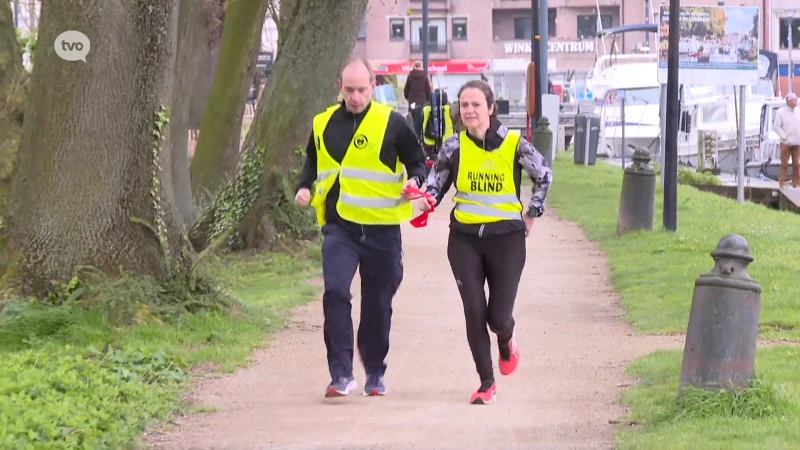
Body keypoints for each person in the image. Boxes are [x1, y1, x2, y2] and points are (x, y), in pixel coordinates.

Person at [294, 55, 428, 398]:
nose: (355, 97)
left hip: (381, 228)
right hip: (340, 228)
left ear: (373, 87)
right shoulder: (323, 123)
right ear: (339, 88)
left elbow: (417, 161)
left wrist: (414, 180)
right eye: (349, 90)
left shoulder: (393, 123)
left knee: (377, 304)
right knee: (336, 293)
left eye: (362, 90)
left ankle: (374, 371)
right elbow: (313, 160)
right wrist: (304, 186)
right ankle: (340, 374)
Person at [418, 80, 552, 405]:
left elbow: (544, 174)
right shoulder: (453, 146)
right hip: (464, 239)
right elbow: (436, 182)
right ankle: (486, 382)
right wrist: (427, 199)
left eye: (476, 104)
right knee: (474, 311)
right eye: (464, 105)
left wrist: (532, 213)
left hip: (506, 240)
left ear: (490, 108)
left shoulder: (514, 143)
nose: (470, 111)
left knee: (498, 318)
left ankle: (506, 340)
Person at [773, 93, 800, 188]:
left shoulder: (798, 111)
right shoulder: (781, 112)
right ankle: (782, 182)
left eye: (796, 99)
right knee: (784, 163)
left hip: (797, 142)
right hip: (786, 143)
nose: (796, 101)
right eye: (794, 100)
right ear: (788, 101)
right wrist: (784, 136)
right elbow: (776, 126)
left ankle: (796, 183)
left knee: (797, 164)